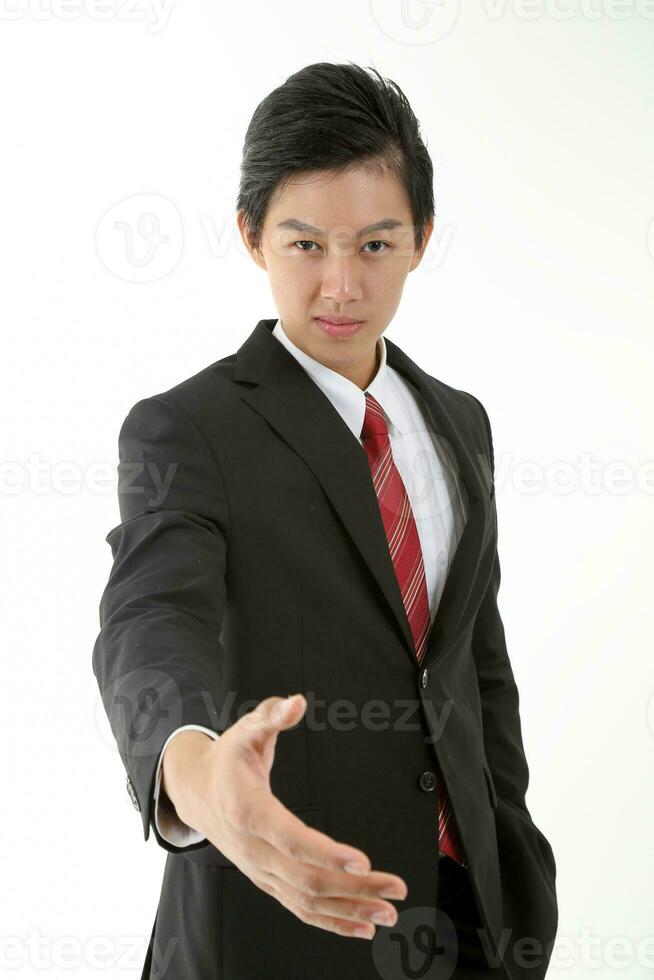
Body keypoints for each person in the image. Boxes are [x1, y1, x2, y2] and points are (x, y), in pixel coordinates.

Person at [93, 61, 558, 979]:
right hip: (280, 922)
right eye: (306, 245)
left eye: (375, 245)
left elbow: (477, 666)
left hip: (470, 921)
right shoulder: (188, 428)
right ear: (251, 235)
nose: (342, 286)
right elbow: (149, 619)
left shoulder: (461, 422)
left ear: (421, 239)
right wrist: (194, 776)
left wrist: (516, 857)